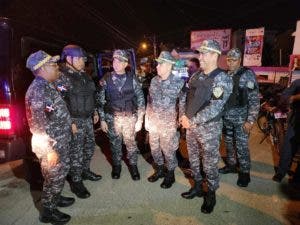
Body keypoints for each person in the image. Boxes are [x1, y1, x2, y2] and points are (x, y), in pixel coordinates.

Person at [179, 40, 233, 213]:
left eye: (204, 53)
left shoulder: (222, 79)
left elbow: (216, 107)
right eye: (200, 53)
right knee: (193, 160)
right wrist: (183, 115)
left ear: (215, 55)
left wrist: (191, 121)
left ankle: (210, 193)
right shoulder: (197, 76)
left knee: (209, 164)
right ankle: (196, 187)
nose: (199, 57)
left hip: (209, 128)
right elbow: (186, 96)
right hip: (191, 127)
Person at [25, 50, 74, 224]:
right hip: (50, 145)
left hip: (59, 139)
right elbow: (37, 126)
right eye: (53, 65)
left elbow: (55, 110)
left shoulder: (48, 85)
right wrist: (49, 151)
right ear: (43, 68)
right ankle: (48, 212)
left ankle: (56, 198)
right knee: (53, 177)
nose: (57, 68)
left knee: (59, 175)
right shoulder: (38, 90)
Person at [58, 44, 102, 199]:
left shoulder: (84, 75)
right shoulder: (62, 77)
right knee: (76, 152)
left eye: (83, 58)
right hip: (74, 121)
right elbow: (60, 102)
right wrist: (69, 121)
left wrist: (95, 111)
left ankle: (85, 170)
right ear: (68, 59)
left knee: (89, 147)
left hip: (87, 118)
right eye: (79, 58)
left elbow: (91, 95)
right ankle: (76, 182)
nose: (82, 61)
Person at [98, 49, 145, 180]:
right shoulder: (106, 79)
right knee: (114, 144)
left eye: (120, 61)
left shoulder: (132, 79)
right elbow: (100, 100)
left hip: (129, 118)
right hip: (112, 119)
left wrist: (140, 119)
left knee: (131, 144)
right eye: (114, 60)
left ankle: (133, 166)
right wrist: (102, 119)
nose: (116, 63)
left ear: (125, 64)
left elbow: (141, 99)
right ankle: (117, 166)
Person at [219, 48, 259, 187]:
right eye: (228, 60)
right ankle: (231, 165)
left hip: (241, 119)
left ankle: (244, 173)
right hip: (226, 118)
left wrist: (251, 120)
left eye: (233, 60)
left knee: (241, 146)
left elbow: (254, 99)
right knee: (229, 144)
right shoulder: (224, 75)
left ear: (240, 60)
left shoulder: (247, 75)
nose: (230, 62)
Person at [145, 51, 185, 189]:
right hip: (154, 122)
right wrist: (147, 119)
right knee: (154, 148)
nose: (157, 66)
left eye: (160, 64)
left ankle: (170, 173)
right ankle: (160, 170)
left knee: (168, 150)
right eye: (158, 63)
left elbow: (183, 103)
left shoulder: (178, 83)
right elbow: (149, 101)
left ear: (169, 65)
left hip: (168, 123)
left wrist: (181, 120)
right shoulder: (154, 81)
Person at [273, 78, 300, 182]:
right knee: (287, 149)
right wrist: (295, 97)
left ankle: (297, 179)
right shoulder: (297, 83)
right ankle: (281, 172)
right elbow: (284, 98)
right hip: (296, 122)